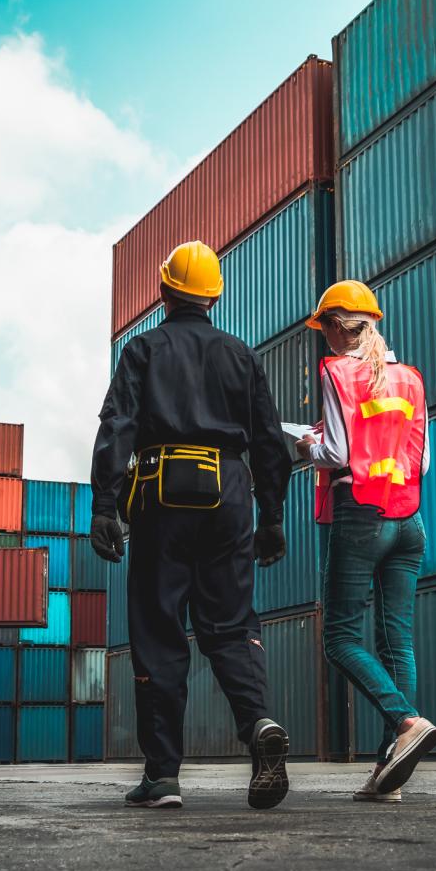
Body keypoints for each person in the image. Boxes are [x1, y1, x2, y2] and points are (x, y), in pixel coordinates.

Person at [90, 240, 293, 810]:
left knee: (159, 630)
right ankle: (257, 726)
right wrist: (272, 518)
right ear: (213, 298)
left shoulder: (142, 350)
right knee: (229, 626)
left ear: (164, 290)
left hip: (163, 494)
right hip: (230, 495)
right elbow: (270, 445)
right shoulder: (241, 355)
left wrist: (105, 506)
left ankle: (163, 776)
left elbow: (118, 427)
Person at [296, 279, 436, 802]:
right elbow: (421, 462)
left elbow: (335, 454)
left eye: (323, 329)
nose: (323, 339)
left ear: (336, 326)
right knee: (396, 641)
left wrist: (308, 443)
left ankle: (405, 722)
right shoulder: (410, 379)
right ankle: (389, 773)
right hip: (409, 521)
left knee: (339, 638)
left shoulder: (337, 371)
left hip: (360, 517)